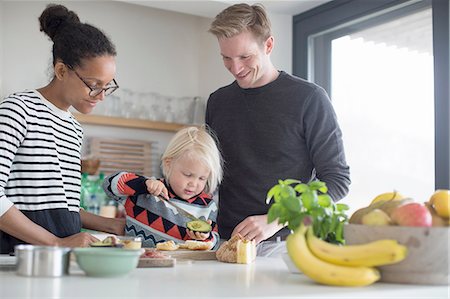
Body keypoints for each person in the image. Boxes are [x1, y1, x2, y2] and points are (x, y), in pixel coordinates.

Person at [206, 3, 351, 256]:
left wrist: (276, 219)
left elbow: (337, 181)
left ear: (268, 45)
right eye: (226, 58)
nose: (236, 68)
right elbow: (211, 174)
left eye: (245, 57)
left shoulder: (309, 98)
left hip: (287, 246)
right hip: (224, 242)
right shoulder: (217, 101)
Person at [0, 4, 125, 254]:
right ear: (61, 70)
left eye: (107, 86)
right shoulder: (18, 109)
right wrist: (56, 243)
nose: (101, 96)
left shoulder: (73, 128)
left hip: (60, 260)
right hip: (18, 261)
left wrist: (110, 225)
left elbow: (60, 207)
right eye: (94, 85)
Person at [103, 126, 223, 248]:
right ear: (168, 164)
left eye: (202, 178)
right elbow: (108, 184)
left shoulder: (207, 206)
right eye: (188, 175)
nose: (193, 183)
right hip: (137, 263)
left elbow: (215, 242)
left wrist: (205, 238)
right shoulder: (147, 191)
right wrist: (143, 184)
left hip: (182, 266)